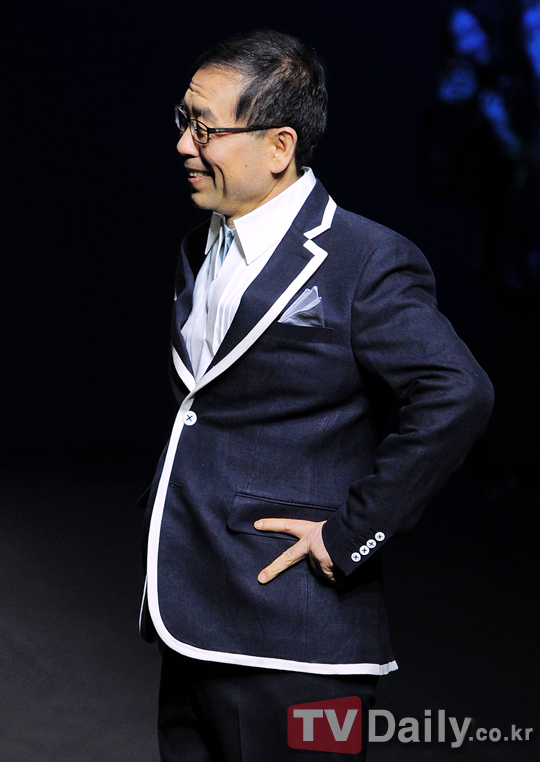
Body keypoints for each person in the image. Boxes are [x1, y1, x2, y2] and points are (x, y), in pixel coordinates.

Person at [139, 29, 494, 761]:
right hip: (192, 622)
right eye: (183, 120)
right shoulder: (200, 246)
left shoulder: (363, 259)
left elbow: (458, 393)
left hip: (298, 641)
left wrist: (351, 533)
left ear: (280, 146)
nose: (183, 144)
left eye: (205, 128)